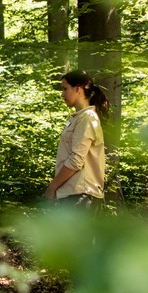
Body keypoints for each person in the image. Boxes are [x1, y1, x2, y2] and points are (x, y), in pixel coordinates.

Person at [45, 69, 108, 207]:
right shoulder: (79, 118)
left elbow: (76, 160)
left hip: (80, 196)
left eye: (65, 89)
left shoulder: (87, 118)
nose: (62, 94)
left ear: (78, 89)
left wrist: (52, 187)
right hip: (73, 194)